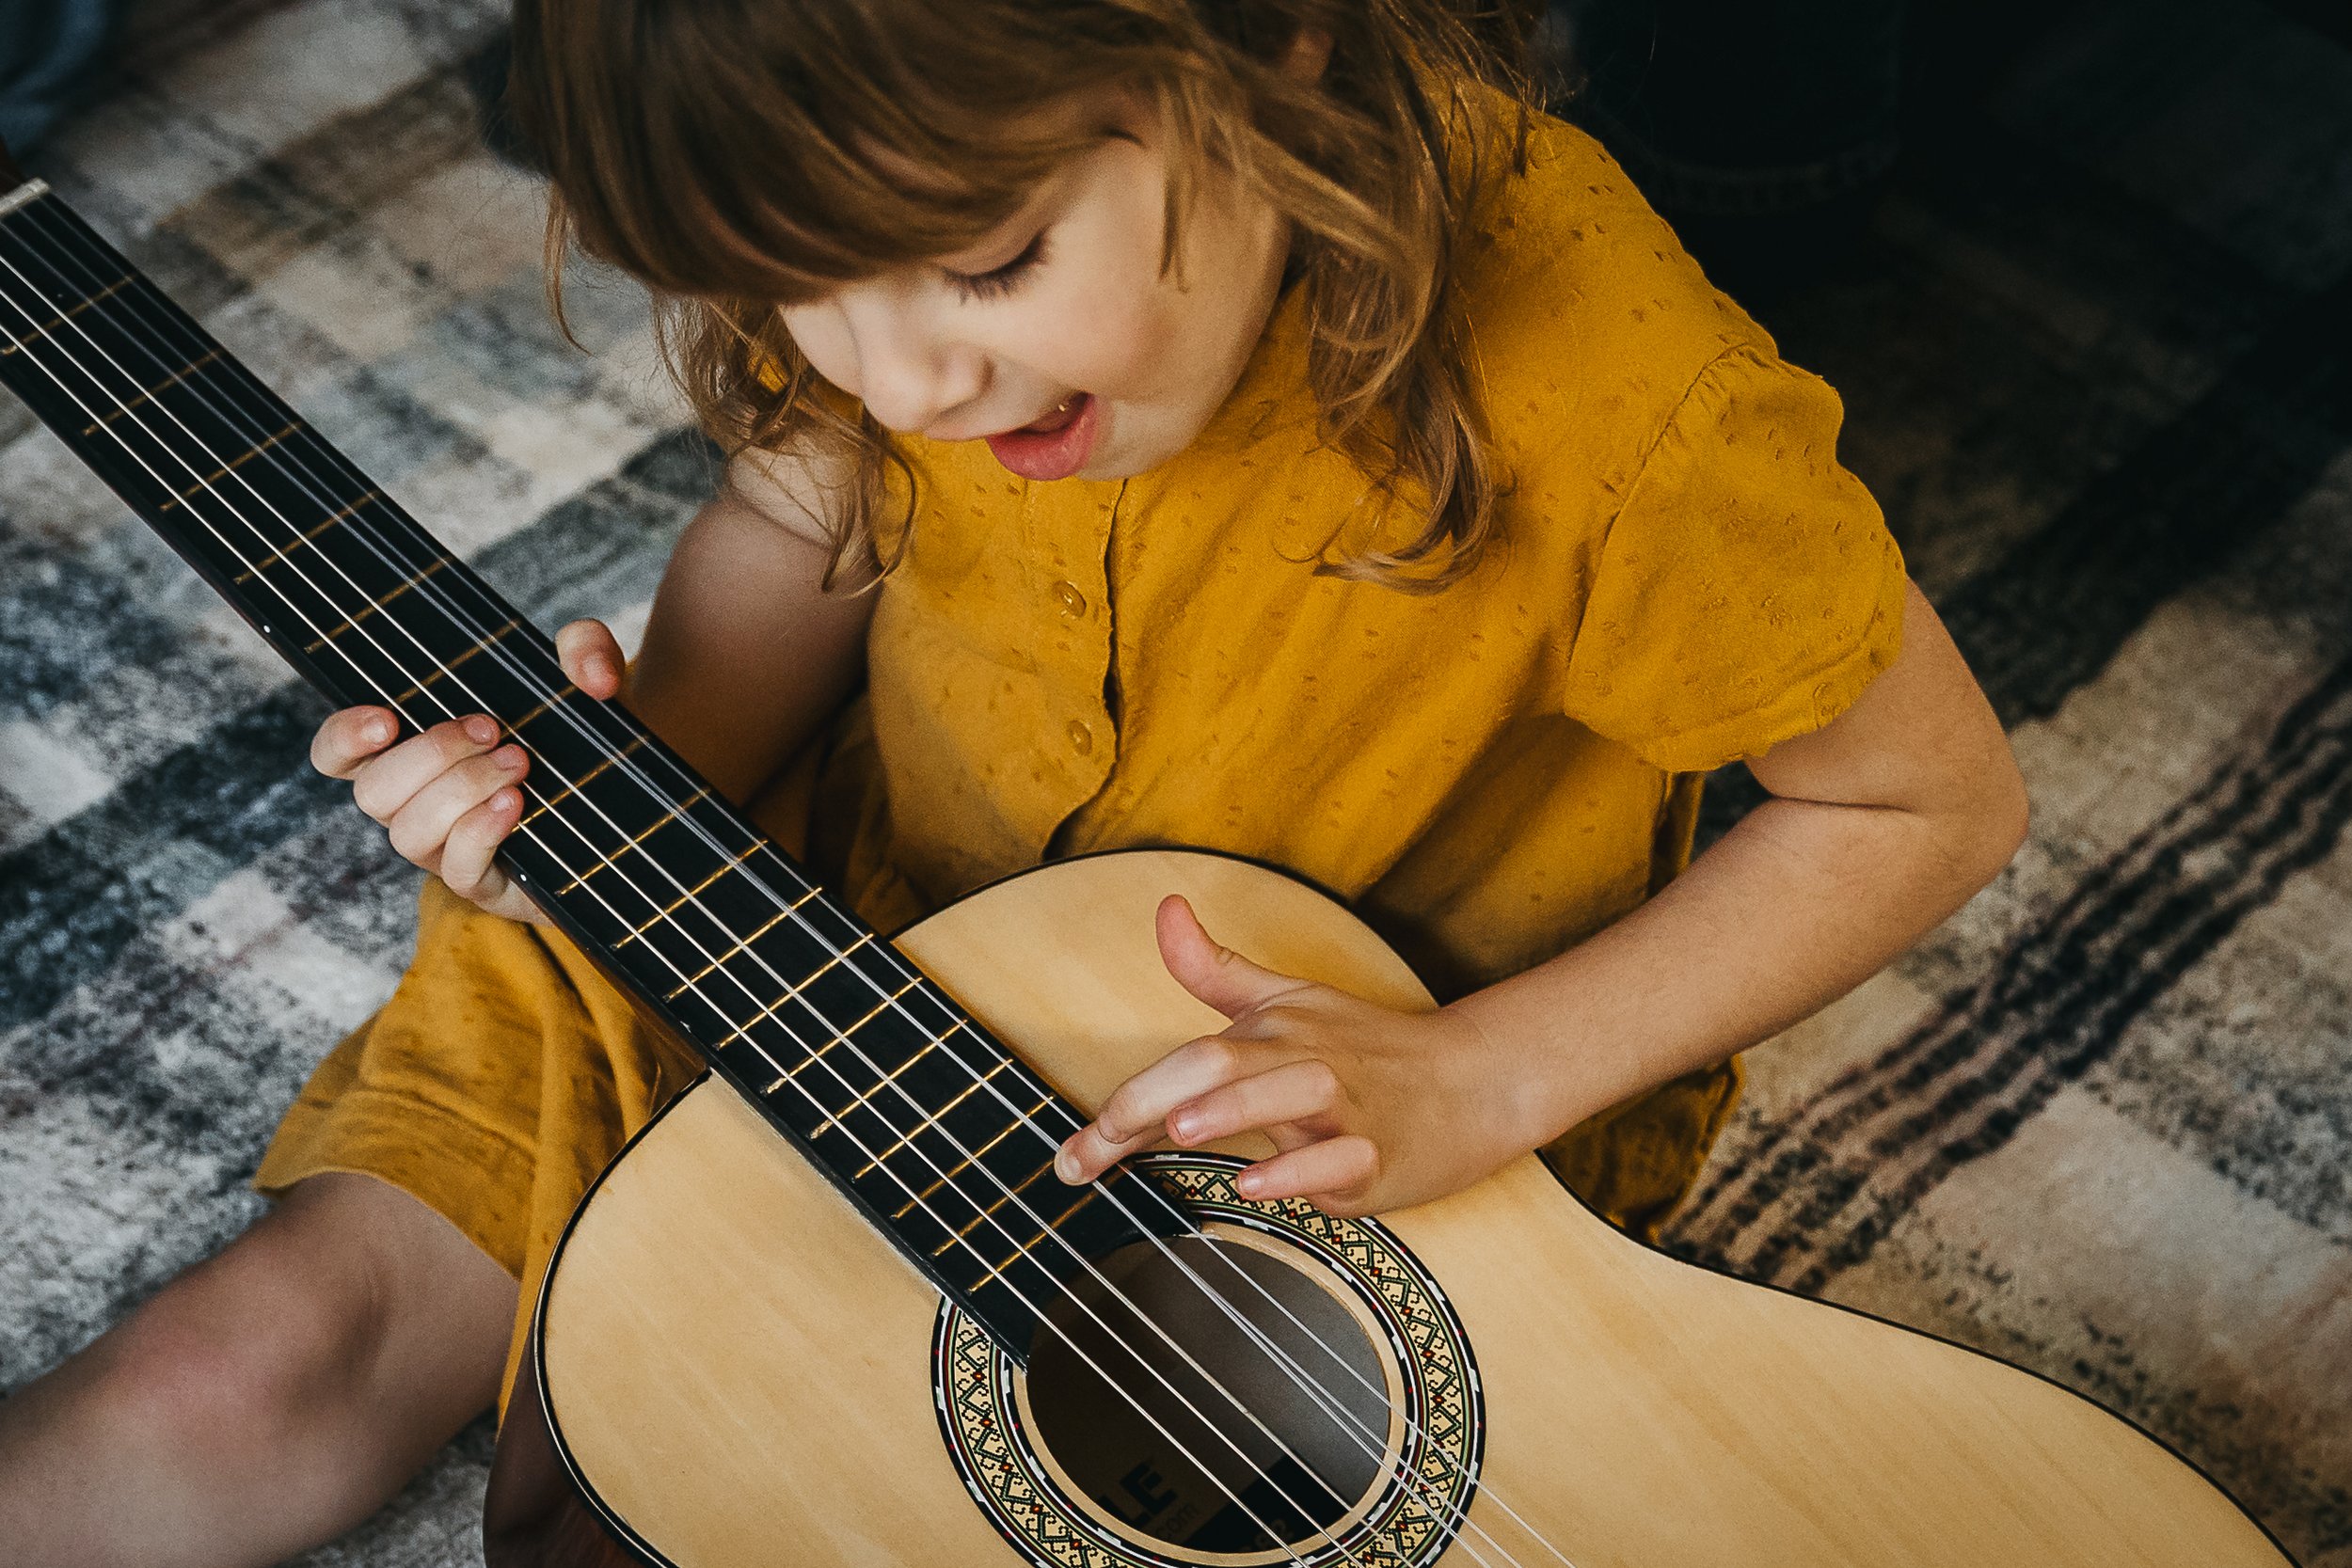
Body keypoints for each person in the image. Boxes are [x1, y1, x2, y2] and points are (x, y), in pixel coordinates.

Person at [0, 1, 2027, 1562]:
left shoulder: (1621, 398)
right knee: (234, 1377)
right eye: (813, 290)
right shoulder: (870, 240)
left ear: (1265, 48)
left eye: (983, 264)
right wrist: (600, 819)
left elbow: (1922, 804)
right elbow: (798, 517)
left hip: (1350, 1099)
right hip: (813, 898)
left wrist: (1487, 1074)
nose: (904, 384)